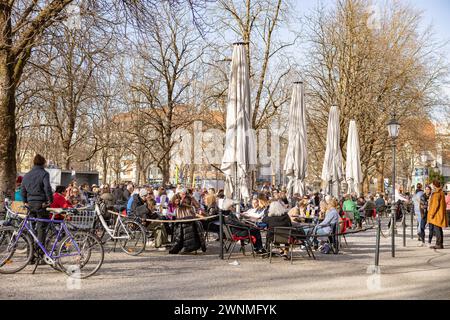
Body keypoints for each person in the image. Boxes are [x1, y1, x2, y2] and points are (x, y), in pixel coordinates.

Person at [21, 154, 54, 259]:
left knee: (31, 229)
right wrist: (50, 200)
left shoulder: (27, 175)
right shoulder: (44, 174)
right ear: (43, 163)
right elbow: (47, 188)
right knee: (41, 229)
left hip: (30, 204)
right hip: (41, 204)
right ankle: (40, 255)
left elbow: (23, 189)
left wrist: (25, 201)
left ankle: (30, 256)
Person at [427, 180, 448, 249]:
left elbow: (435, 205)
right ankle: (439, 243)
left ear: (434, 185)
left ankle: (438, 244)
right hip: (439, 214)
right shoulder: (441, 192)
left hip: (437, 215)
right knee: (439, 229)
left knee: (437, 229)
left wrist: (431, 214)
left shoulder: (437, 194)